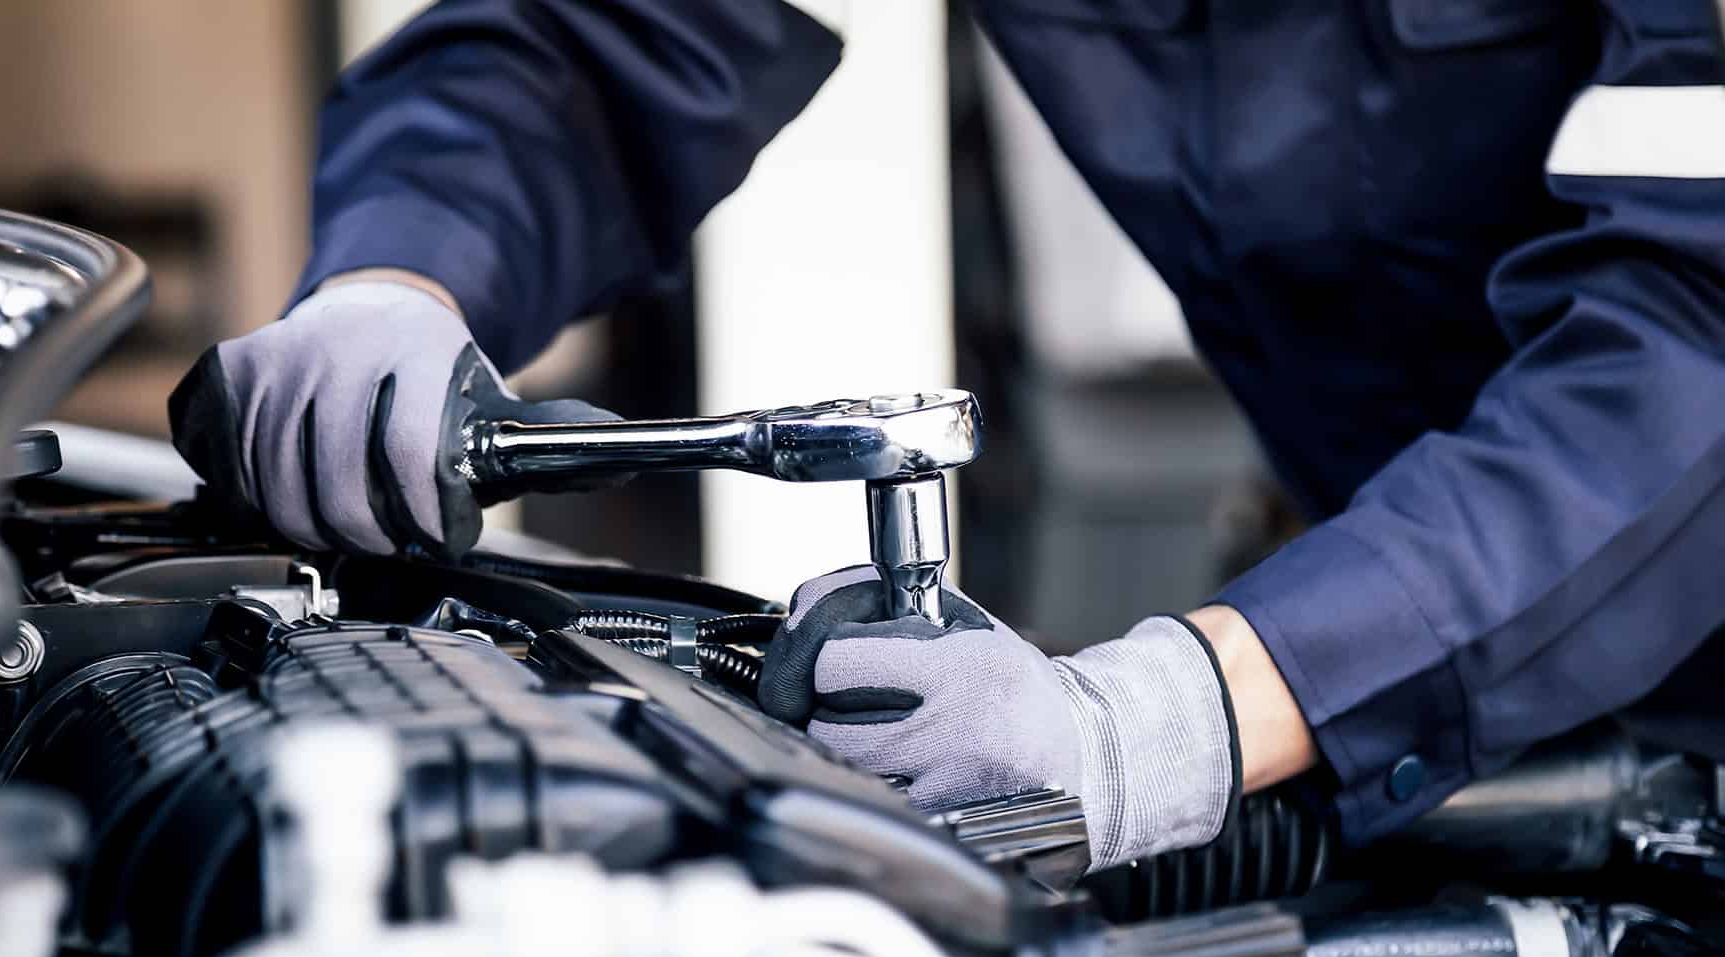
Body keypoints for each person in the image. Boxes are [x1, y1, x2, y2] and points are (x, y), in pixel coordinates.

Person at [169, 1, 1725, 871]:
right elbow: (600, 44)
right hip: (1422, 664)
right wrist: (400, 271)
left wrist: (1177, 717)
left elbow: (1698, 345)